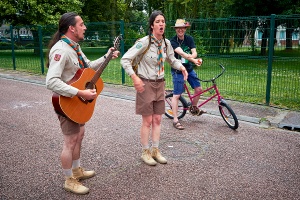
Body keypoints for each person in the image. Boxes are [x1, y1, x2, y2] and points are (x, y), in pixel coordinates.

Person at [45, 12, 119, 195]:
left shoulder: (74, 47)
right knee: (70, 141)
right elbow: (51, 81)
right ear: (72, 28)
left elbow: (87, 66)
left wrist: (107, 56)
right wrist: (80, 92)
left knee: (80, 135)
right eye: (82, 24)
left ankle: (77, 170)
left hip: (77, 101)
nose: (85, 27)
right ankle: (69, 180)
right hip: (66, 102)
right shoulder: (61, 50)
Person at [121, 10, 188, 166]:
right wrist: (134, 77)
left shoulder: (166, 43)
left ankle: (155, 150)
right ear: (152, 25)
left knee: (158, 119)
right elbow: (125, 59)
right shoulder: (144, 42)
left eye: (163, 21)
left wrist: (182, 67)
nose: (161, 24)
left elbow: (172, 60)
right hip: (145, 83)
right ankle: (145, 152)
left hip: (160, 83)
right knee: (147, 121)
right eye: (158, 21)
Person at [170, 19, 205, 130]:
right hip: (178, 70)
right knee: (177, 95)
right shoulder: (173, 41)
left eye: (182, 28)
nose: (180, 30)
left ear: (185, 29)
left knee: (199, 89)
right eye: (178, 28)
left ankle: (193, 108)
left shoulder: (189, 39)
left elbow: (194, 52)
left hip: (188, 69)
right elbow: (182, 53)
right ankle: (175, 119)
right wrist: (194, 60)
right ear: (176, 29)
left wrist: (194, 57)